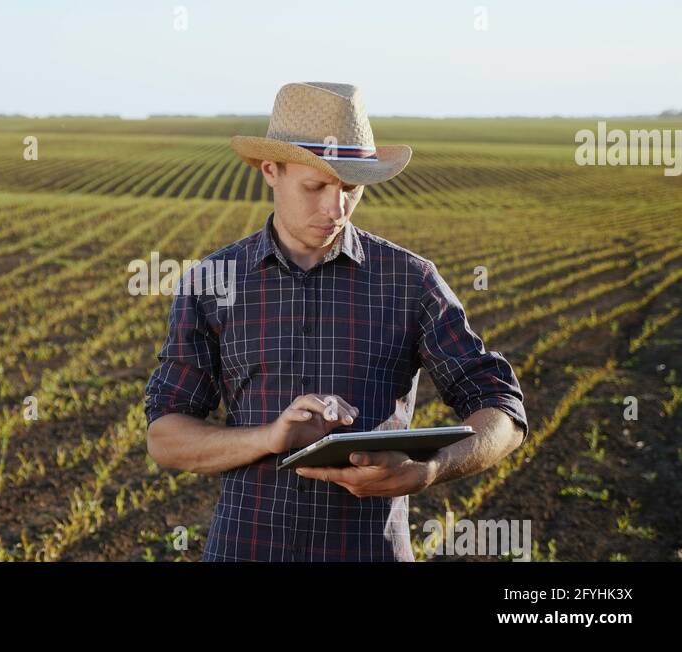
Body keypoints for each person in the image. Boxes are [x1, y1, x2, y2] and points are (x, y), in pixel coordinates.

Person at [144, 82, 528, 561]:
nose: (336, 208)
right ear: (270, 170)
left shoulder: (410, 281)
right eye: (316, 186)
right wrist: (270, 437)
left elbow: (502, 410)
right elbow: (165, 437)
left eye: (350, 188)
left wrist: (428, 470)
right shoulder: (210, 282)